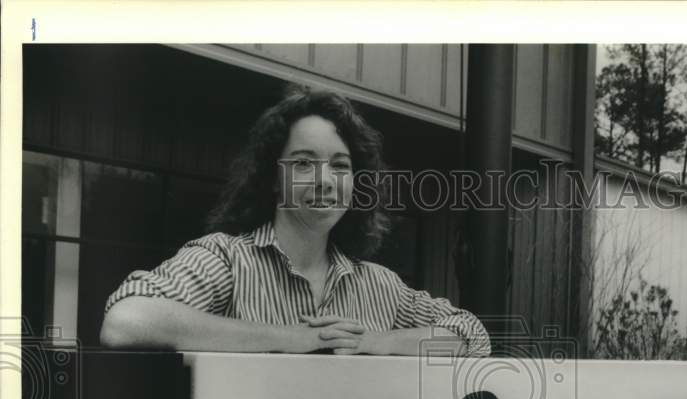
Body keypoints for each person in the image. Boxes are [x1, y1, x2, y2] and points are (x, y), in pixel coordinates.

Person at [100, 87, 491, 357]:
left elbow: (473, 335)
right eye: (304, 163)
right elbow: (126, 321)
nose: (324, 180)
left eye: (340, 166)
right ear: (272, 178)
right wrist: (292, 338)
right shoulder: (227, 260)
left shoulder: (380, 285)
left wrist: (377, 341)